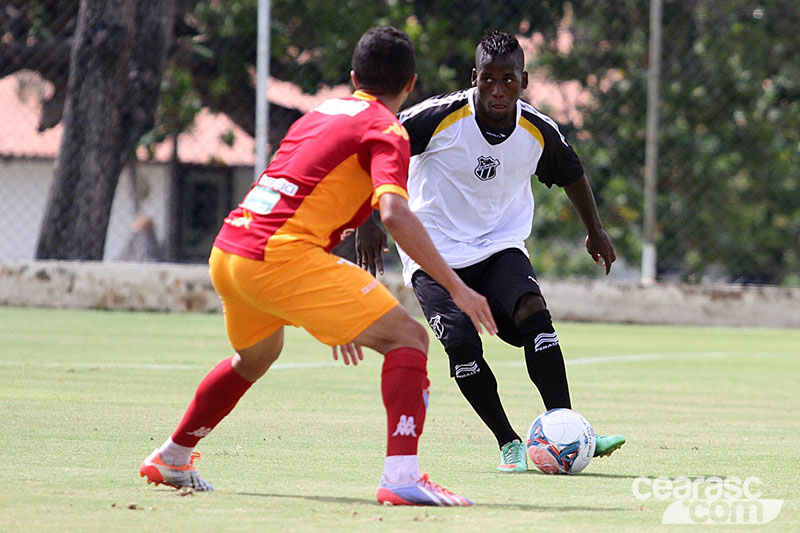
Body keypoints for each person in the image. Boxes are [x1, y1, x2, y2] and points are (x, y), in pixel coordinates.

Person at [139, 26, 498, 507]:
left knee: (256, 357)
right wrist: (457, 288)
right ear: (410, 84)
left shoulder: (321, 114)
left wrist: (334, 309)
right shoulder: (388, 131)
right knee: (408, 339)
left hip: (231, 249)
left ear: (354, 77)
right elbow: (393, 213)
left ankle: (172, 456)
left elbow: (304, 197)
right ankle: (402, 477)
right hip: (279, 257)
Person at [355, 30, 625, 473]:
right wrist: (368, 220)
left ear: (525, 80)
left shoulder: (538, 130)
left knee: (533, 314)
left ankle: (571, 431)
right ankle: (509, 443)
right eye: (488, 80)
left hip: (499, 245)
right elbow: (374, 151)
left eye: (509, 80)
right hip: (434, 252)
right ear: (473, 78)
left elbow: (572, 173)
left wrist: (595, 231)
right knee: (461, 344)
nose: (498, 91)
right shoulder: (436, 119)